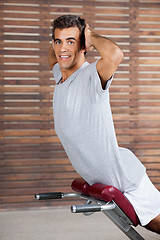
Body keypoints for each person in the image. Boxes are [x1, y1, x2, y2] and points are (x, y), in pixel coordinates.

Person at [48, 14, 160, 234]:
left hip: (124, 176)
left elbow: (115, 54)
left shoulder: (91, 75)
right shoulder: (60, 77)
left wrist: (88, 33)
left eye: (71, 41)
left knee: (156, 224)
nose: (63, 48)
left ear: (83, 46)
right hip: (106, 173)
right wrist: (58, 38)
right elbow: (54, 56)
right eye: (58, 41)